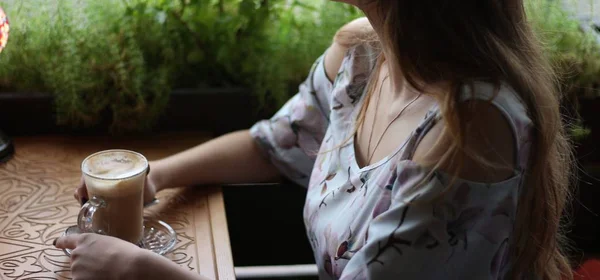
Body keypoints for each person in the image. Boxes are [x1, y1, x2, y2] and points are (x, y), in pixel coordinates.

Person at [55, 0, 575, 279]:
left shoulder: (471, 128)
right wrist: (158, 176)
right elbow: (274, 145)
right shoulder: (363, 54)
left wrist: (146, 273)